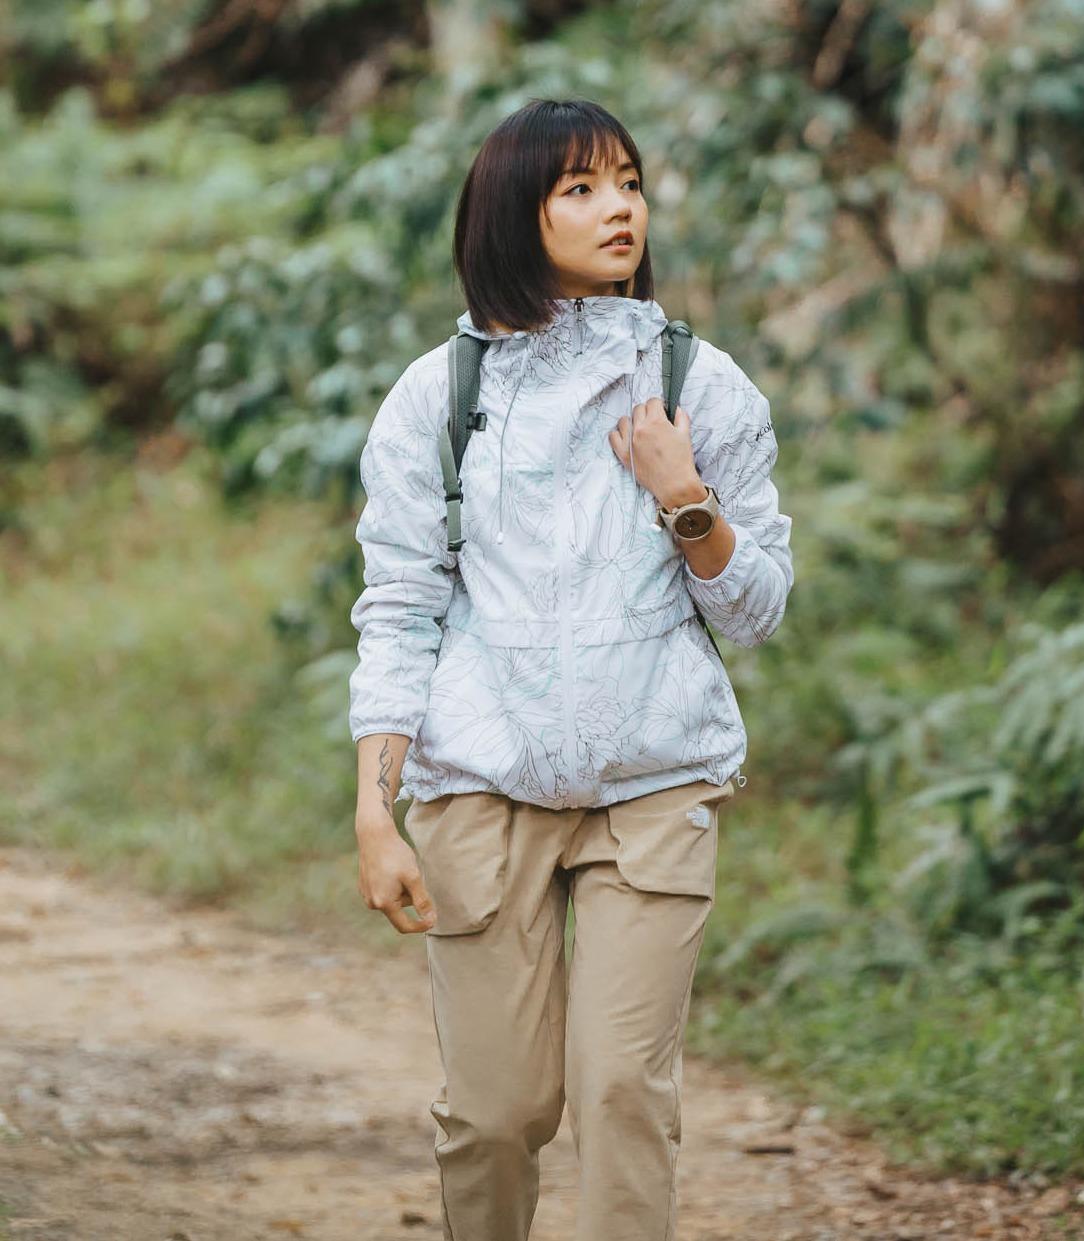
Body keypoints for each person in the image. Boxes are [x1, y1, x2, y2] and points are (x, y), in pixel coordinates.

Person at [348, 97, 794, 1241]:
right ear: (514, 212)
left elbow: (756, 609)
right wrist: (373, 808)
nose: (620, 209)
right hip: (479, 783)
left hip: (656, 779)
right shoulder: (434, 401)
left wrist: (681, 494)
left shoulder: (698, 384)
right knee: (497, 1112)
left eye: (630, 183)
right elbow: (400, 606)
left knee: (620, 1093)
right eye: (582, 189)